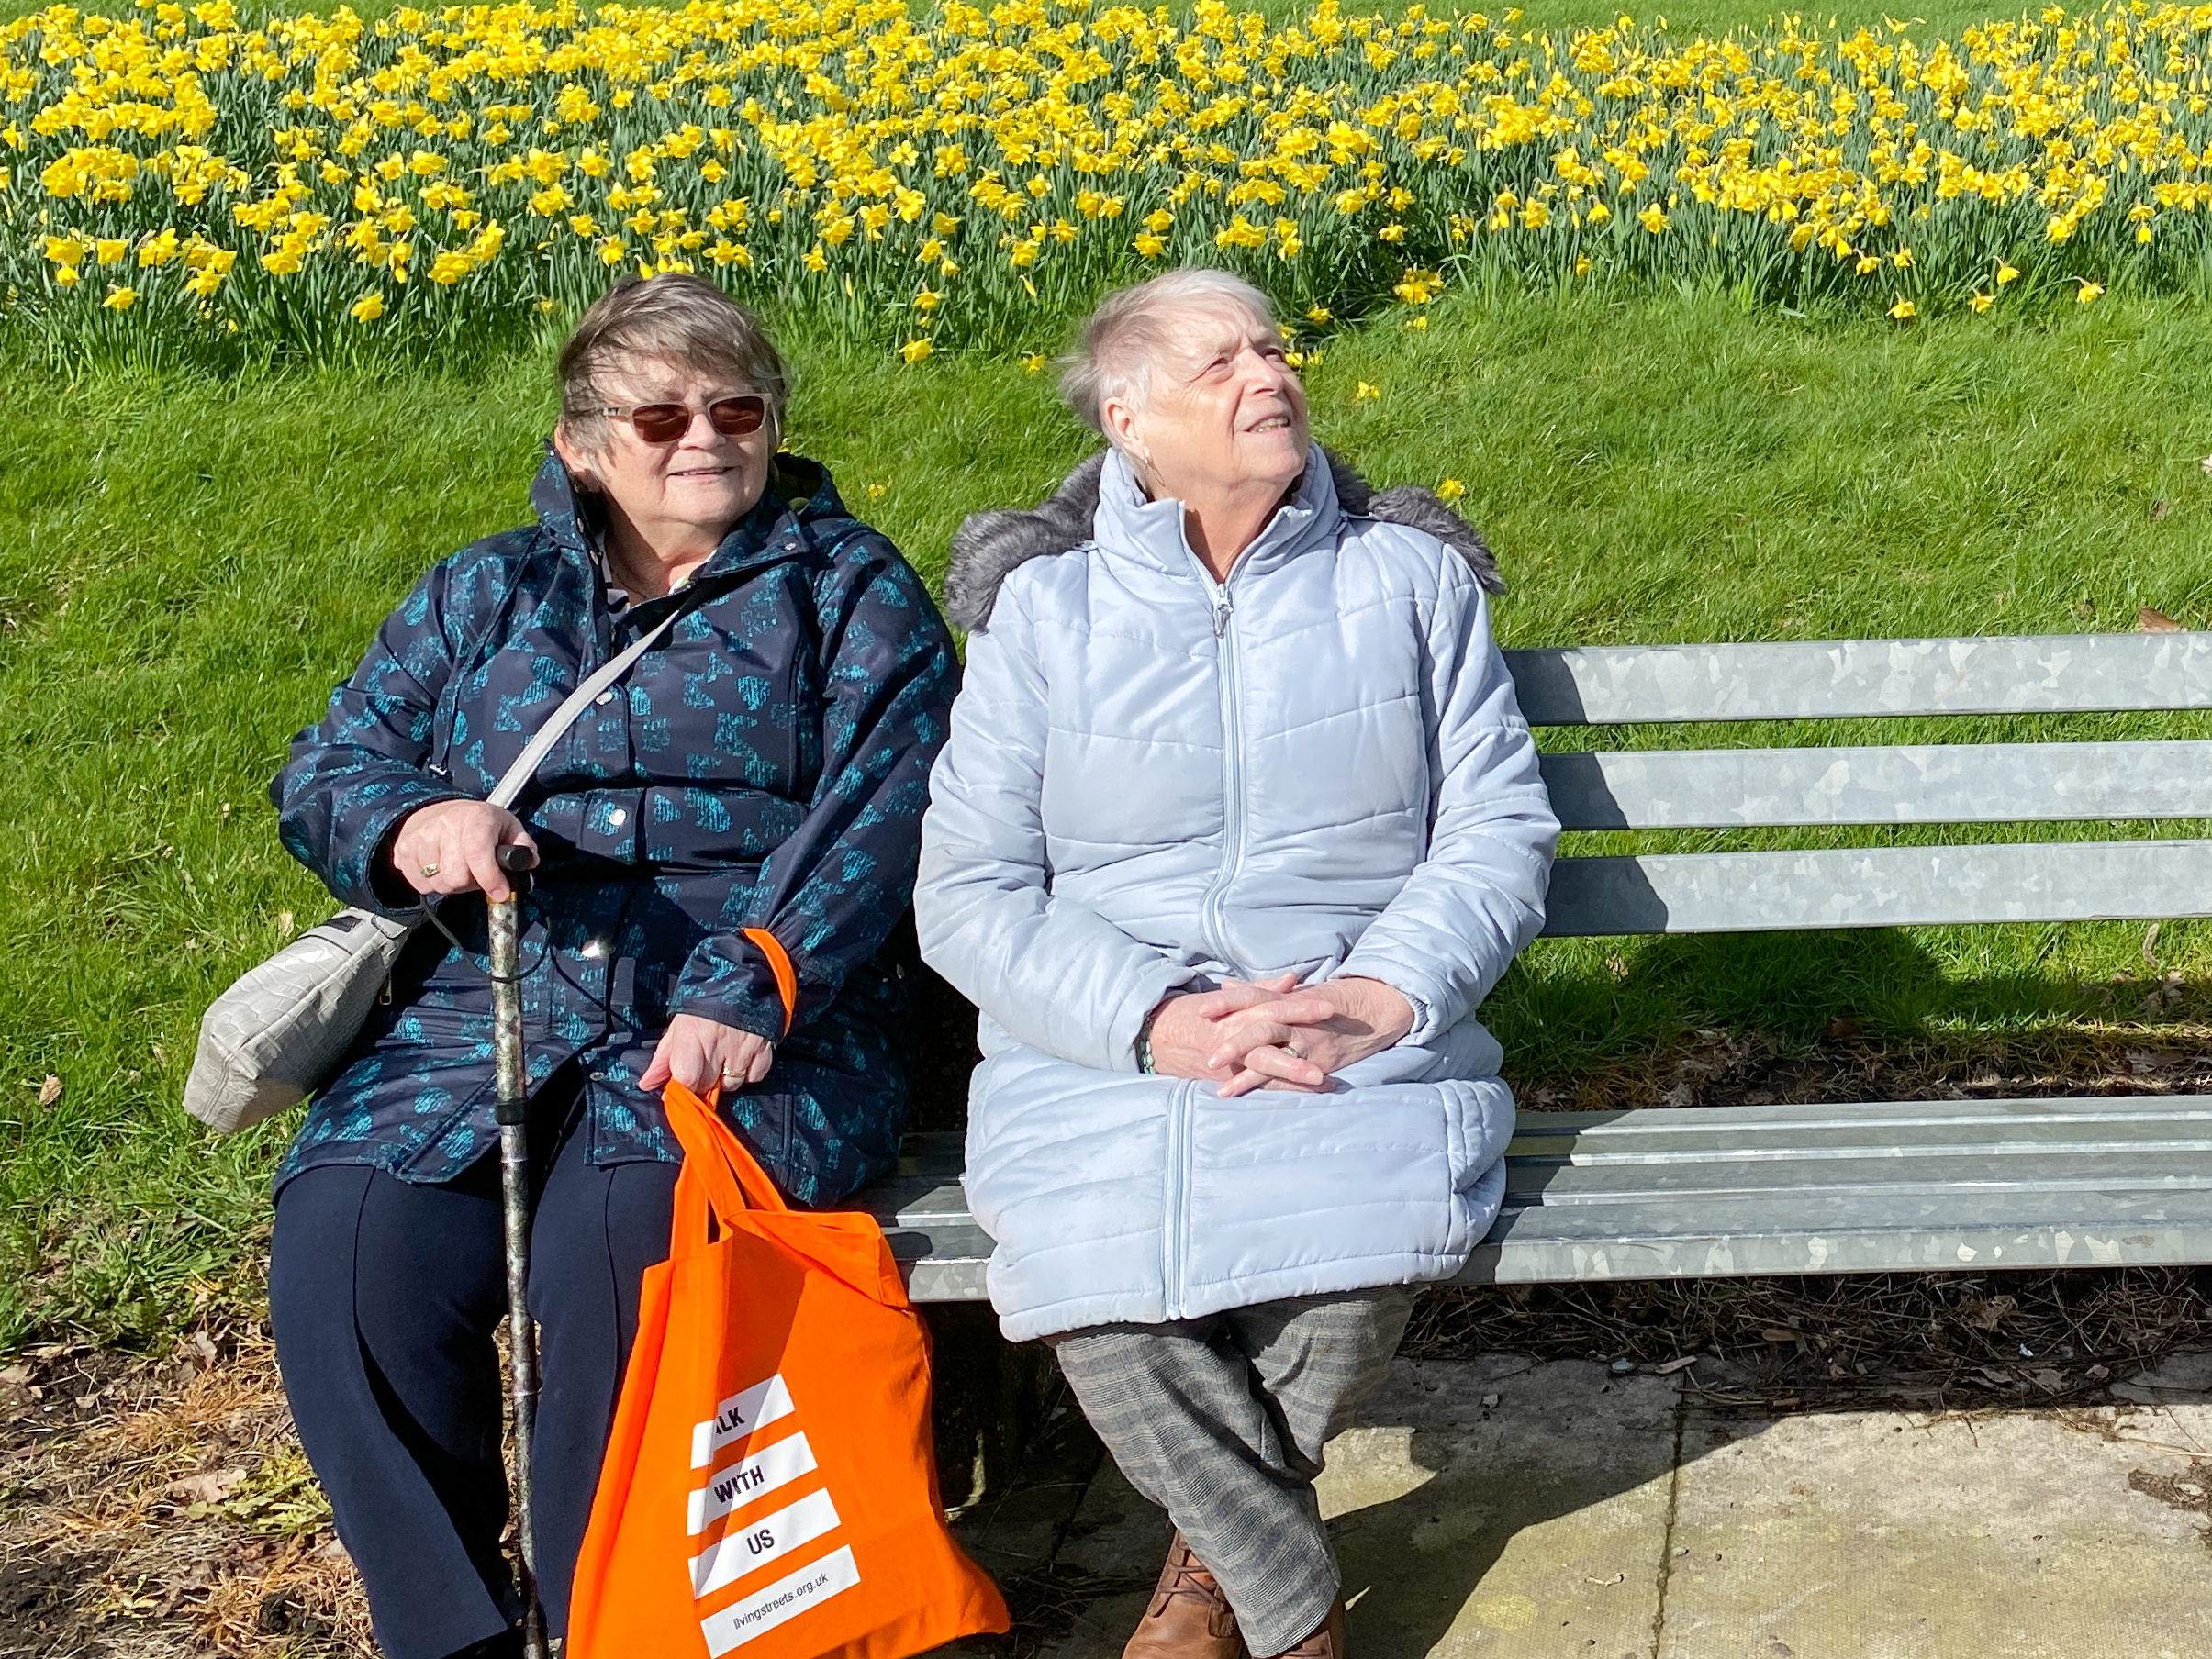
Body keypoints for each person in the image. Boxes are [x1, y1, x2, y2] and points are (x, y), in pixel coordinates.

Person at [265, 273, 957, 1659]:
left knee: (621, 1248)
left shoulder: (849, 589)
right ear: (582, 445)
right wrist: (414, 824)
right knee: (350, 1249)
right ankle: (452, 1633)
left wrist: (755, 977)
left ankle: (615, 1623)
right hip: (495, 1001)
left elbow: (889, 807)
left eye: (735, 406)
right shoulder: (484, 592)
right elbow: (331, 766)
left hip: (766, 1015)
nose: (702, 435)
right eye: (658, 413)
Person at [916, 268, 1558, 1659]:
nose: (1266, 375)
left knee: (1352, 1257)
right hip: (1105, 1039)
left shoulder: (1408, 579)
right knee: (1097, 1291)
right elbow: (969, 891)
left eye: (1272, 349)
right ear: (1129, 421)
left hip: (1350, 1022)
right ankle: (1287, 1604)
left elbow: (1496, 827)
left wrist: (1383, 996)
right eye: (1218, 363)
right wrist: (1155, 1022)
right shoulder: (1046, 613)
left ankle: (1208, 1575)